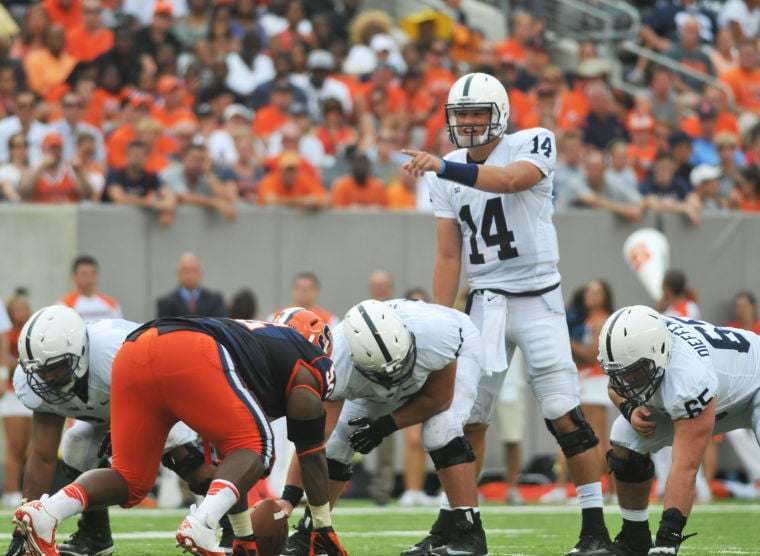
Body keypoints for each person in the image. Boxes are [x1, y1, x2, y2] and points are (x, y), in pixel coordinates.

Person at [402, 71, 614, 554]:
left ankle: (595, 528)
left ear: (499, 116)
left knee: (563, 411)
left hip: (538, 299)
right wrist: (442, 321)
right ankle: (459, 524)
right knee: (459, 418)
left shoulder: (532, 142)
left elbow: (512, 180)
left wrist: (444, 167)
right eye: (462, 115)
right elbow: (449, 255)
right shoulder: (448, 168)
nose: (471, 122)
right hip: (484, 303)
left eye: (479, 113)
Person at [12, 307, 347, 556]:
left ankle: (48, 511)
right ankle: (201, 526)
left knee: (131, 479)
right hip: (187, 350)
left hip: (132, 352)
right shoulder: (310, 359)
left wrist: (245, 537)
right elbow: (311, 450)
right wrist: (323, 527)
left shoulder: (258, 350)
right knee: (258, 447)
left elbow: (230, 456)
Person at [4, 305, 222, 556]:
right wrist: (23, 532)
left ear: (81, 352)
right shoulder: (37, 379)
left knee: (189, 461)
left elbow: (165, 391)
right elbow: (42, 457)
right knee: (75, 447)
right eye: (42, 371)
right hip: (108, 410)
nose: (49, 378)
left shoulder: (114, 352)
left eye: (57, 367)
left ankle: (233, 526)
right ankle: (95, 535)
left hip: (157, 397)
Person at [282, 298, 488, 556]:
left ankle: (470, 535)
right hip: (376, 374)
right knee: (337, 441)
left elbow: (439, 398)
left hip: (451, 356)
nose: (396, 380)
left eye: (400, 367)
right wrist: (288, 498)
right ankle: (313, 532)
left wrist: (383, 427)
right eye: (386, 375)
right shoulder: (336, 363)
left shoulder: (437, 333)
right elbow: (314, 437)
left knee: (440, 429)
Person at [596, 305, 760, 555]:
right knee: (624, 439)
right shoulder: (638, 347)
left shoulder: (687, 376)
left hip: (753, 383)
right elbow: (615, 384)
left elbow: (686, 466)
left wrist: (665, 543)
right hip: (720, 389)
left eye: (635, 372)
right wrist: (629, 409)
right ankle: (633, 540)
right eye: (623, 373)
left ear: (659, 352)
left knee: (683, 460)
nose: (628, 381)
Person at [2, 292, 32, 510]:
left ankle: (24, 491)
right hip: (12, 393)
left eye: (24, 308)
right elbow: (7, 363)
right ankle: (11, 491)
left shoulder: (31, 332)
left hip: (30, 393)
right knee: (15, 446)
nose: (21, 313)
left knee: (28, 449)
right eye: (17, 309)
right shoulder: (9, 335)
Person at [156, 252, 229, 318]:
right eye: (186, 270)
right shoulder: (165, 303)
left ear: (201, 272)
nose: (190, 275)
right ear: (178, 273)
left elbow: (222, 327)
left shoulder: (215, 300)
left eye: (194, 270)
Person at [58, 255, 122, 322]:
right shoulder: (63, 306)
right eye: (84, 274)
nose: (90, 278)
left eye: (93, 273)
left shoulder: (112, 304)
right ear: (74, 277)